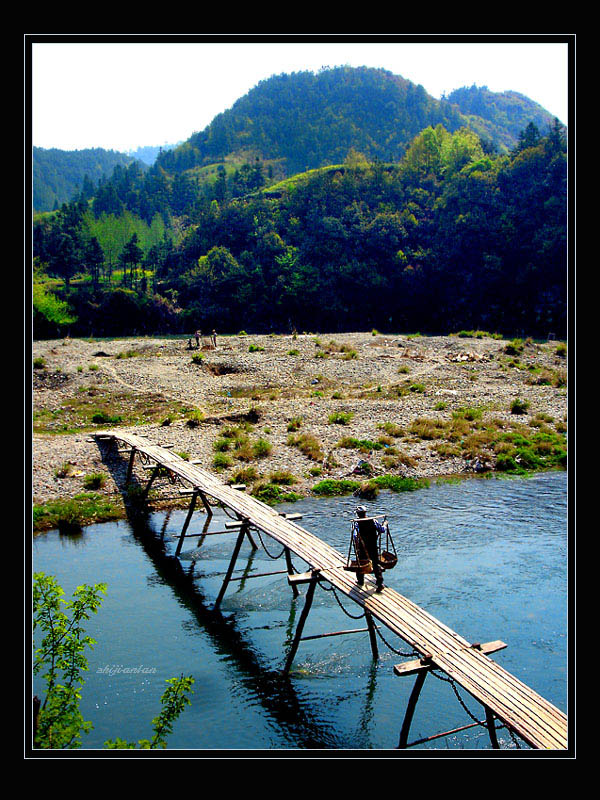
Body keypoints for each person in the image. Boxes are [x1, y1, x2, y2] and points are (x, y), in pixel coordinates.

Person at [354, 505, 384, 592]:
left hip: (363, 548)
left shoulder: (357, 523)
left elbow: (355, 536)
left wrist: (356, 546)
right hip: (373, 546)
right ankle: (379, 582)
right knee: (375, 563)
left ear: (358, 514)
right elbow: (382, 530)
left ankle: (360, 581)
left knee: (361, 563)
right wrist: (385, 525)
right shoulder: (373, 521)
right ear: (365, 513)